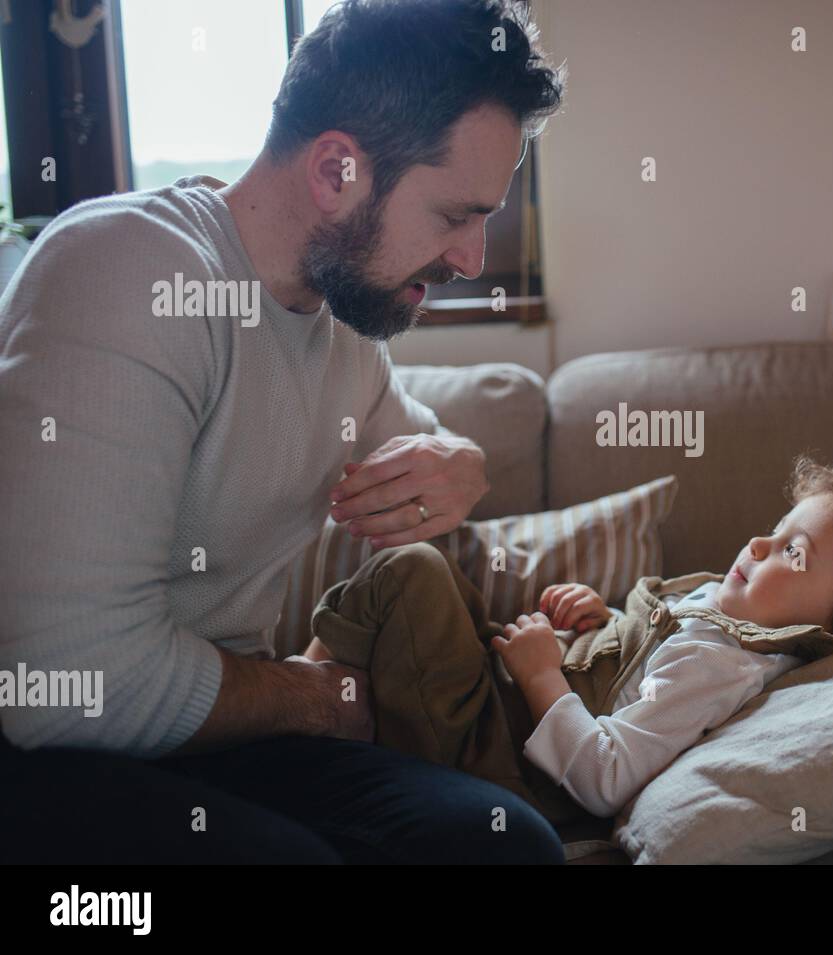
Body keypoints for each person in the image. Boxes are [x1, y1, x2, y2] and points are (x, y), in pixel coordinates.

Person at [0, 0, 567, 864]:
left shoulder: (343, 333)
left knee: (506, 843)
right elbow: (65, 689)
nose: (472, 259)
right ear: (337, 169)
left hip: (215, 732)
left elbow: (424, 446)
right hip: (48, 752)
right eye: (455, 215)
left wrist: (465, 461)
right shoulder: (128, 274)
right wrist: (321, 696)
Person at [306, 454, 833, 828]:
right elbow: (637, 667)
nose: (757, 546)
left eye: (793, 552)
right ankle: (332, 695)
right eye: (773, 529)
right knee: (441, 575)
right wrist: (601, 619)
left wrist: (541, 678)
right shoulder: (716, 613)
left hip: (491, 752)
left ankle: (304, 686)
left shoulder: (723, 667)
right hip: (496, 689)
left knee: (413, 569)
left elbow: (607, 778)